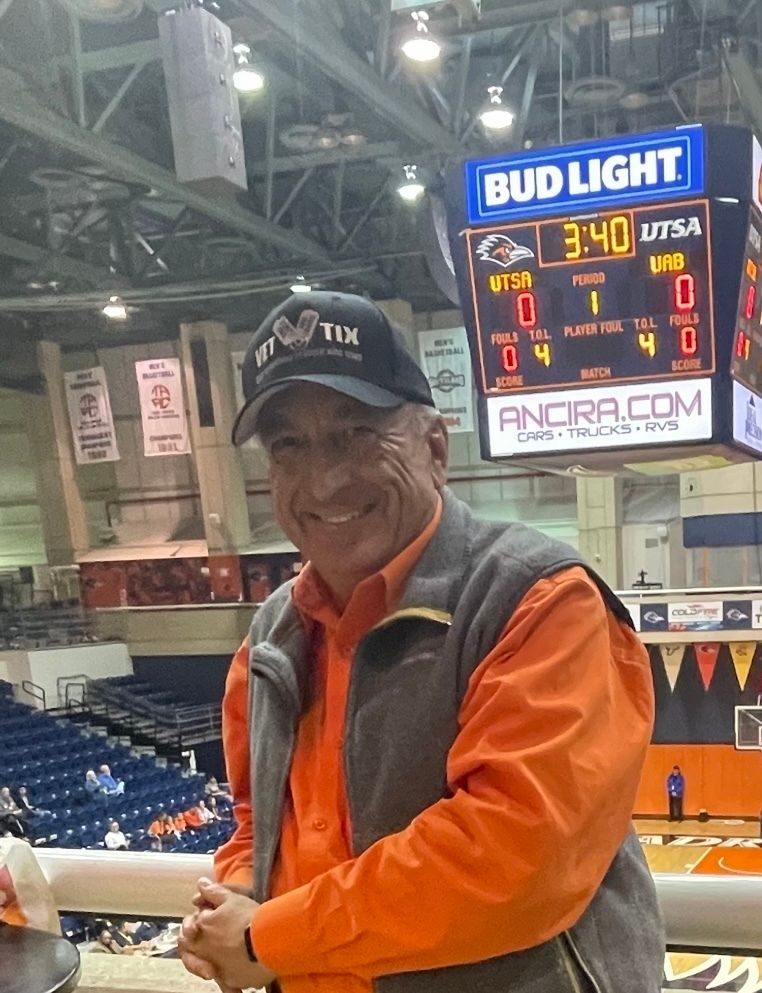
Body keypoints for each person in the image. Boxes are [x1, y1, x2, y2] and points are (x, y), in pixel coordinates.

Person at [178, 292, 662, 993]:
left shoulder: (540, 600)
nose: (323, 477)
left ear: (435, 448)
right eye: (289, 444)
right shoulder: (269, 638)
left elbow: (512, 858)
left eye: (356, 432)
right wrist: (232, 900)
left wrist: (264, 937)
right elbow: (258, 821)